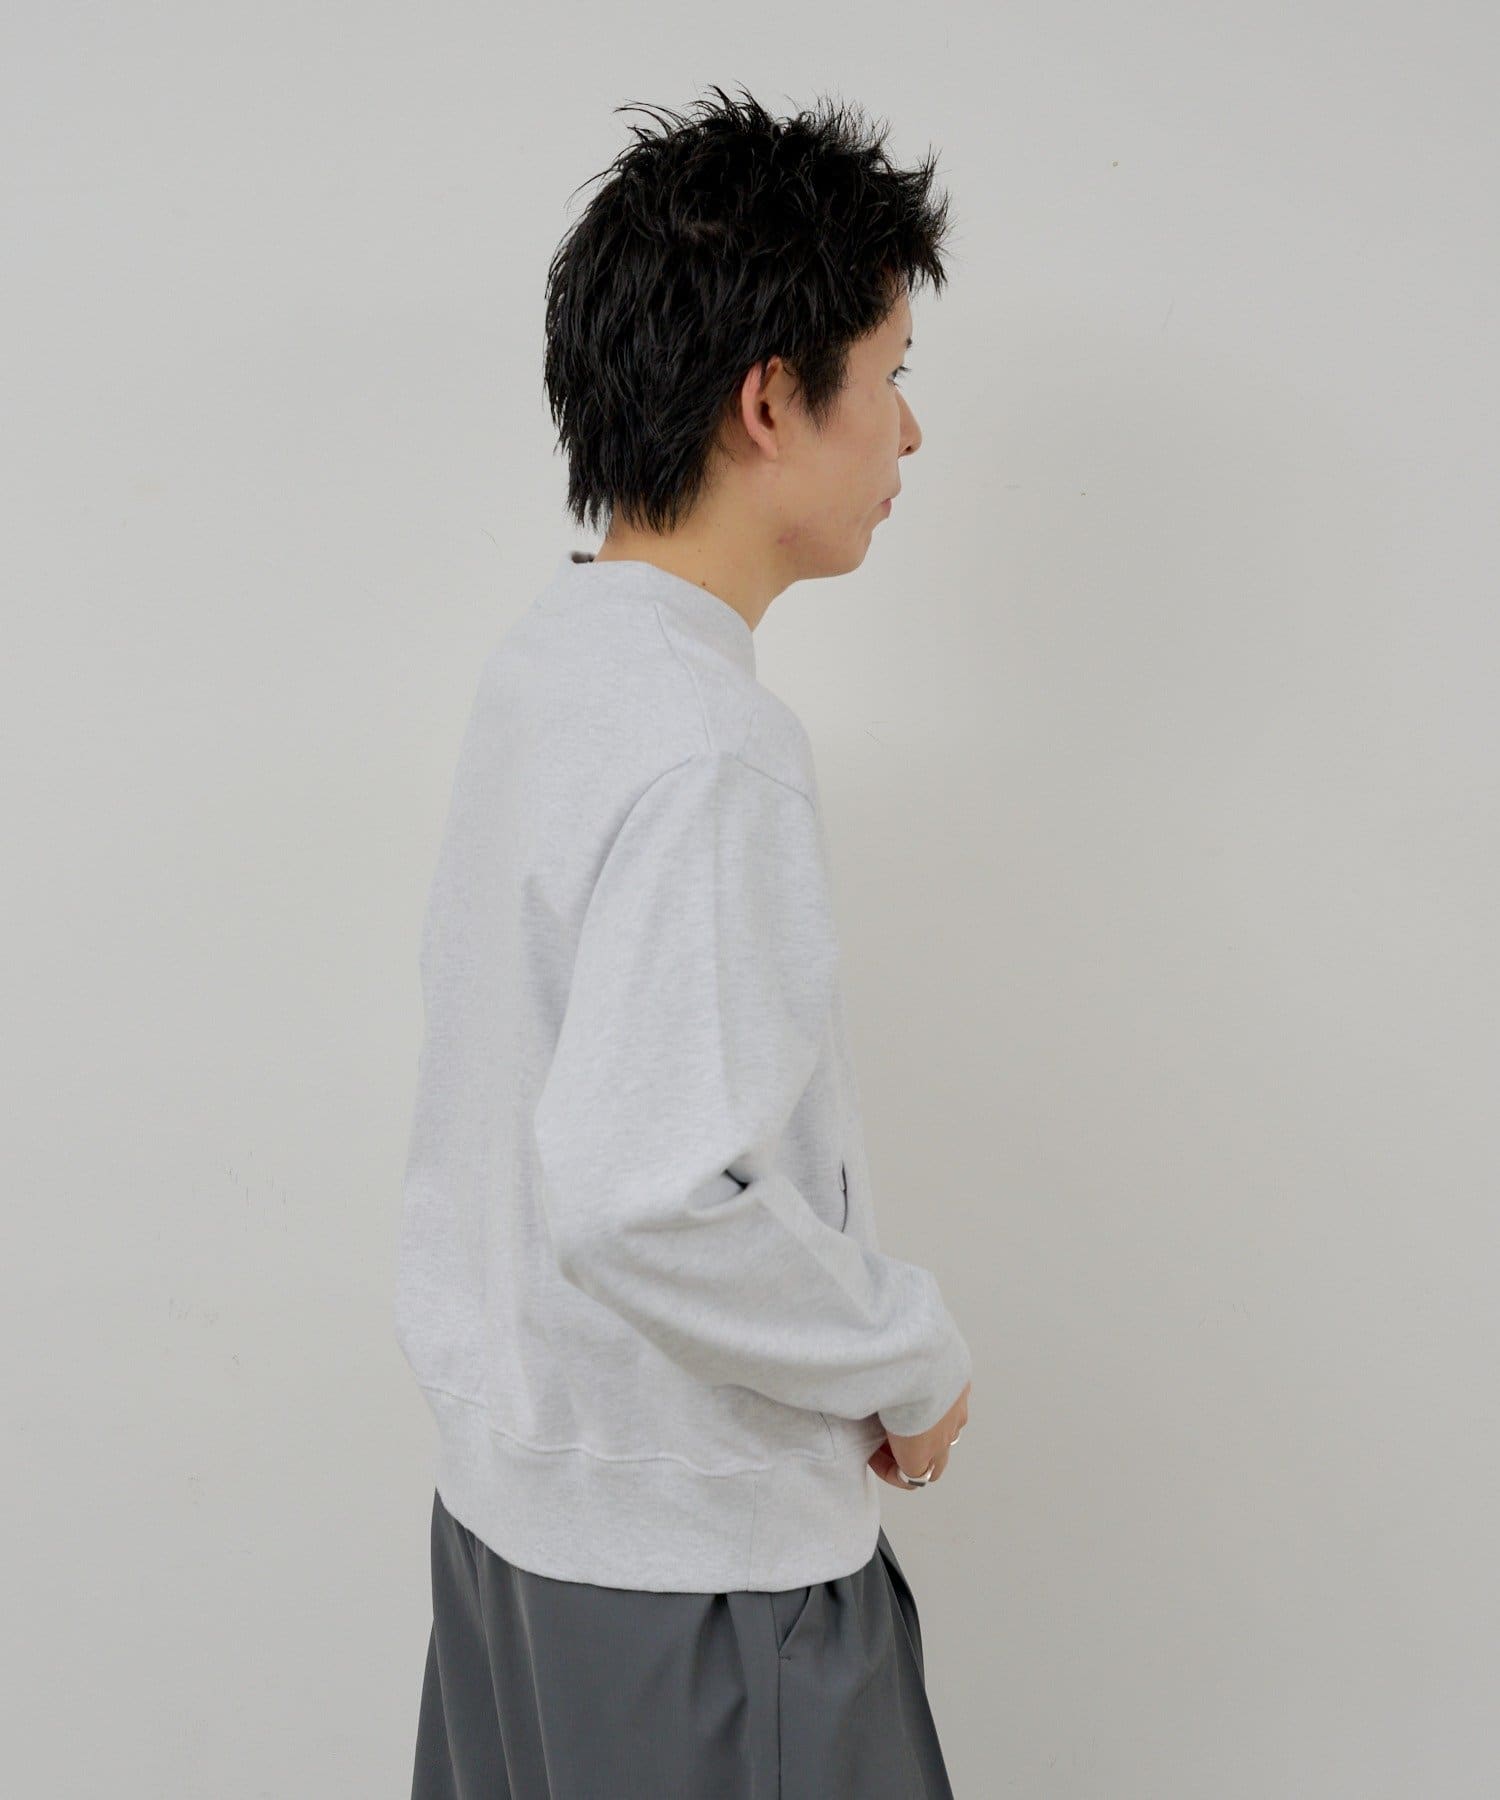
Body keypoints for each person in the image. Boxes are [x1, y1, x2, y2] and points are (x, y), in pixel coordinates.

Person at [396, 82, 973, 1798]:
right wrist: (911, 1358)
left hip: (516, 1544)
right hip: (700, 1595)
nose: (910, 434)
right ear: (770, 401)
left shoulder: (553, 666)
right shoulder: (709, 744)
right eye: (891, 375)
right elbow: (646, 1194)